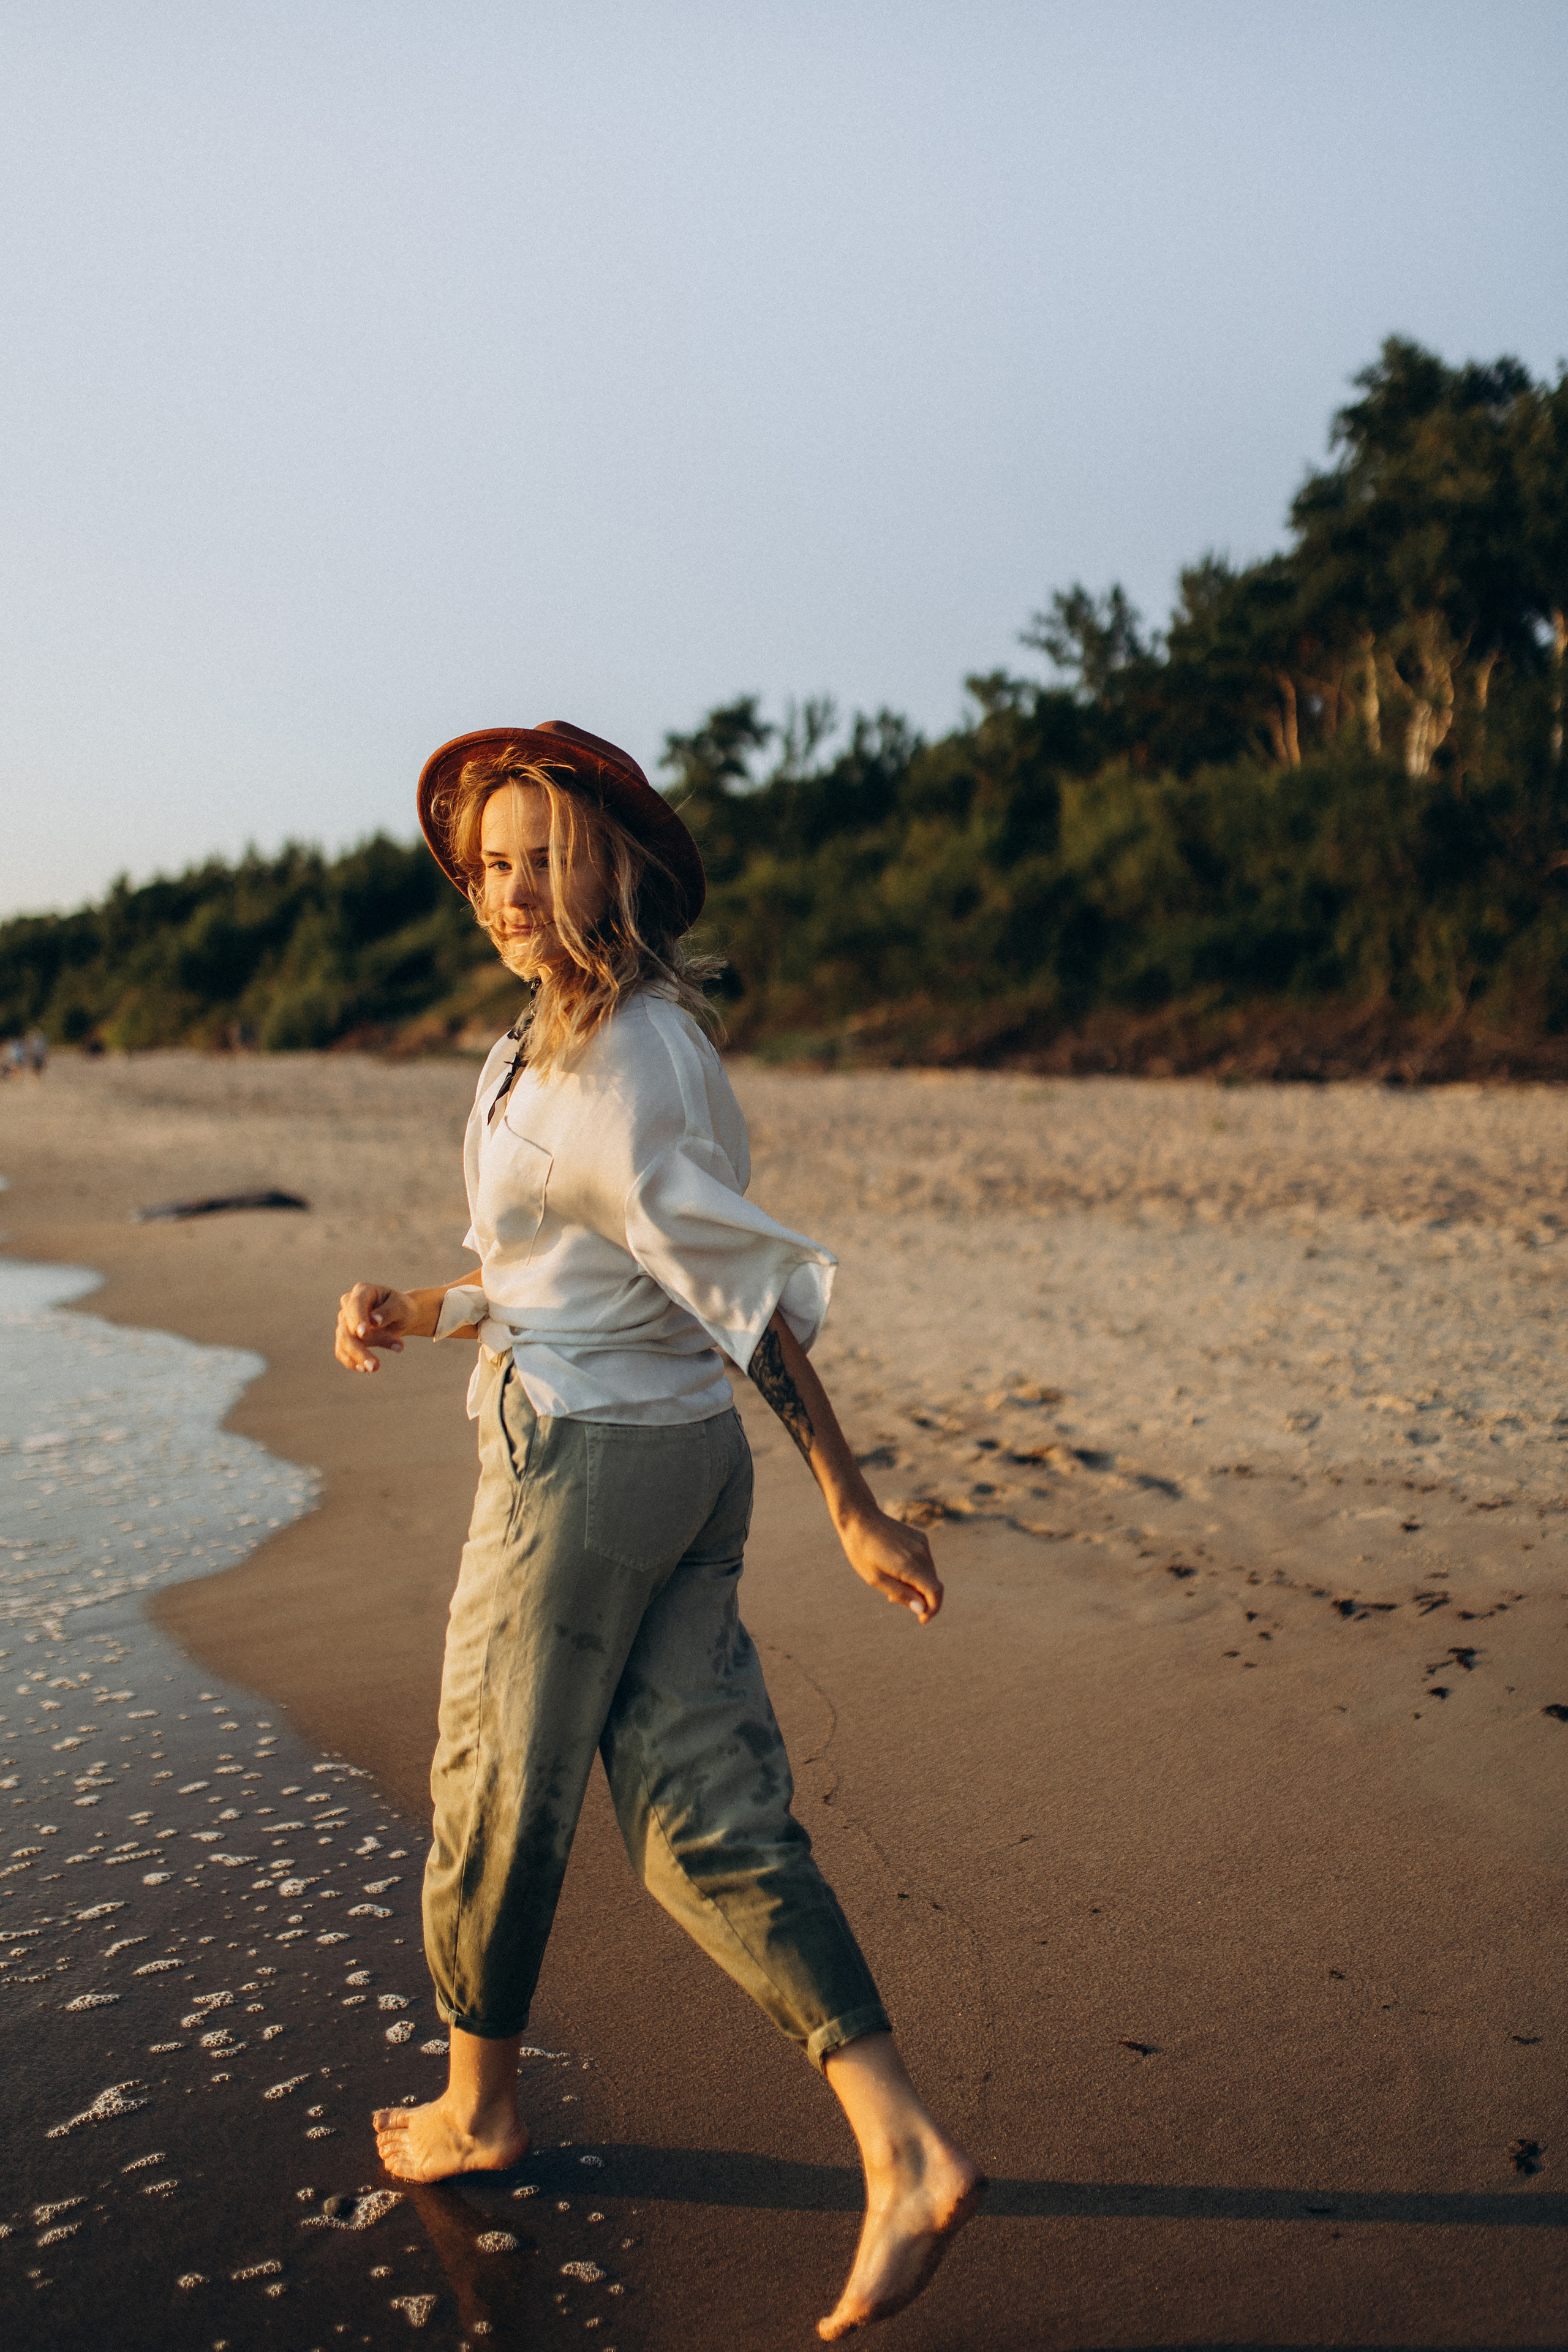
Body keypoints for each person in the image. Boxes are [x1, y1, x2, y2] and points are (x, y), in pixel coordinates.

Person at [333, 723, 983, 2338]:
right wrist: (435, 1305)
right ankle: (902, 2148)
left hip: (586, 1475)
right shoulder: (561, 1040)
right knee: (702, 1814)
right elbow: (582, 1266)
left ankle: (481, 2108)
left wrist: (856, 1498)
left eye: (537, 858)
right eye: (487, 865)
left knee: (493, 1779)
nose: (505, 891)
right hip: (668, 1461)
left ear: (608, 861)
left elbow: (742, 1299)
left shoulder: (625, 1060)